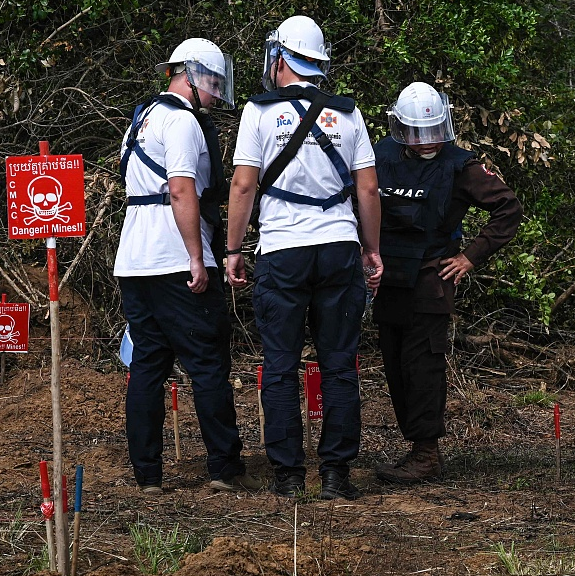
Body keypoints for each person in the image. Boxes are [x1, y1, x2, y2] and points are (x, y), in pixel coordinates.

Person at [225, 15, 383, 501]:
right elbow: (368, 188)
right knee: (339, 365)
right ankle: (336, 475)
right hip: (339, 248)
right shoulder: (349, 115)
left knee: (279, 366)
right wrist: (372, 248)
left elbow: (243, 184)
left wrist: (233, 249)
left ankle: (288, 477)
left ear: (279, 57)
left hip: (282, 252)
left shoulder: (258, 112)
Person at [115, 38, 260, 494]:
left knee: (146, 369)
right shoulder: (182, 123)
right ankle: (222, 467)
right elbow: (181, 190)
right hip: (176, 259)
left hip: (135, 260)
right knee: (208, 365)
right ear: (193, 76)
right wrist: (197, 256)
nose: (218, 94)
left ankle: (148, 474)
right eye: (214, 83)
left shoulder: (139, 120)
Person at [372, 82, 523, 484]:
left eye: (434, 131)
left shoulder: (461, 165)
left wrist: (470, 256)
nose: (426, 142)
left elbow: (507, 208)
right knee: (395, 370)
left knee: (423, 369)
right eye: (417, 134)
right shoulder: (378, 156)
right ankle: (415, 448)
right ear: (399, 128)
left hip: (430, 282)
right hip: (387, 281)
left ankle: (426, 454)